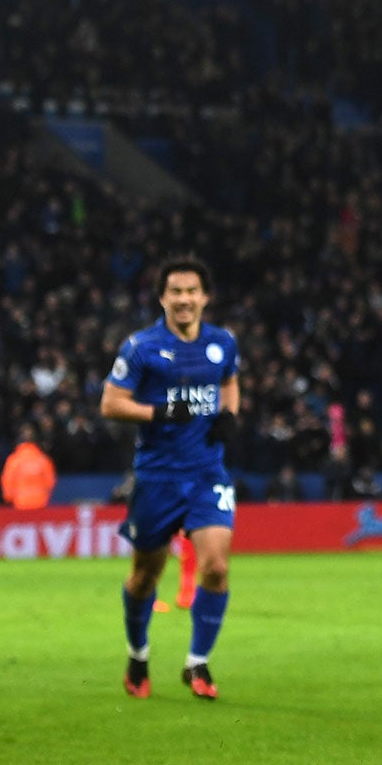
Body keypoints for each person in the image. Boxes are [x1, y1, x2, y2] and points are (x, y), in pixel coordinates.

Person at [100, 256, 240, 702]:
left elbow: (230, 381)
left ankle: (197, 663)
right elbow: (111, 403)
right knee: (145, 577)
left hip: (206, 472)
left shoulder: (222, 344)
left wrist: (230, 416)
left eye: (191, 291)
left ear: (205, 298)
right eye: (175, 291)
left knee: (216, 566)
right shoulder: (141, 347)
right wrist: (158, 412)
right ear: (162, 298)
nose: (183, 299)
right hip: (158, 477)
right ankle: (138, 654)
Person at [1, 428, 57, 510]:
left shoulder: (14, 460)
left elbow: (8, 479)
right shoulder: (43, 459)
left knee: (23, 522)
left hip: (20, 502)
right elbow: (50, 481)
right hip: (40, 501)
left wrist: (8, 497)